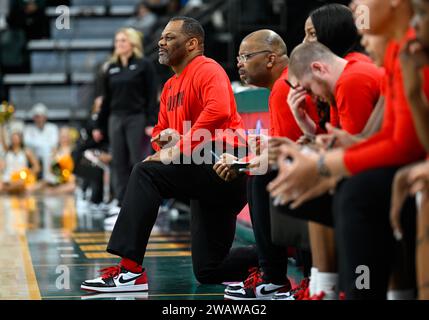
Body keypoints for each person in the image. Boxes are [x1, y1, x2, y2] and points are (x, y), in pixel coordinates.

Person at [81, 16, 258, 293]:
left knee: (144, 172)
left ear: (192, 43)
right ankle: (276, 256)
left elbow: (219, 111)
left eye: (169, 37)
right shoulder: (170, 86)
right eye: (161, 37)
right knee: (209, 270)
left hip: (225, 163)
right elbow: (160, 131)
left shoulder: (207, 69)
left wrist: (178, 148)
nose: (161, 42)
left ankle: (130, 272)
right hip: (201, 171)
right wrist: (162, 142)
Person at [267, 0, 428, 299]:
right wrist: (332, 150)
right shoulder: (394, 52)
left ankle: (342, 290)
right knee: (336, 186)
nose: (355, 6)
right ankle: (329, 287)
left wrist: (326, 166)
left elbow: (402, 145)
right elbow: (388, 135)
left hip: (410, 168)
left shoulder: (362, 71)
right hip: (407, 162)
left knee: (353, 191)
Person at [219, 29, 320, 300]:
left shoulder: (284, 88)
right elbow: (282, 146)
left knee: (260, 175)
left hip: (320, 169)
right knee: (258, 171)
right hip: (314, 161)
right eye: (238, 57)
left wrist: (243, 164)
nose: (239, 63)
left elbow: (290, 151)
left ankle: (275, 277)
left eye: (246, 56)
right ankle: (274, 275)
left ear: (271, 59)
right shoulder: (281, 87)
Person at [92, 27, 159, 228]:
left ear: (132, 43)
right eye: (117, 41)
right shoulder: (109, 68)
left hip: (136, 117)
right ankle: (121, 204)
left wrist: (150, 121)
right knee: (118, 162)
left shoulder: (144, 65)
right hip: (115, 118)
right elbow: (105, 100)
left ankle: (144, 207)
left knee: (138, 162)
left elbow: (151, 97)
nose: (119, 44)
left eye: (123, 40)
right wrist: (98, 125)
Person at [390, 0, 429, 300]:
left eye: (423, 15)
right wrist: (414, 93)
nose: (415, 26)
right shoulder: (410, 60)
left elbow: (402, 143)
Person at [0, 124, 40, 194]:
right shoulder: (7, 151)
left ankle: (5, 189)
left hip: (21, 177)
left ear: (21, 138)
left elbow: (37, 167)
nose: (15, 139)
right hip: (8, 177)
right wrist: (2, 125)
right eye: (13, 137)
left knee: (21, 184)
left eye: (17, 137)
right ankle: (8, 188)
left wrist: (28, 173)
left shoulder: (26, 151)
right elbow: (3, 139)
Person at [24, 103, 59, 181]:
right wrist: (43, 145)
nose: (39, 119)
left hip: (49, 153)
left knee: (48, 151)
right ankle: (31, 178)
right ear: (33, 118)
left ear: (45, 117)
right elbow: (27, 142)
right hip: (33, 154)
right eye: (37, 117)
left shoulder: (52, 127)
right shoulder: (28, 129)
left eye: (41, 116)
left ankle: (48, 176)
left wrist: (40, 145)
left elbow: (54, 143)